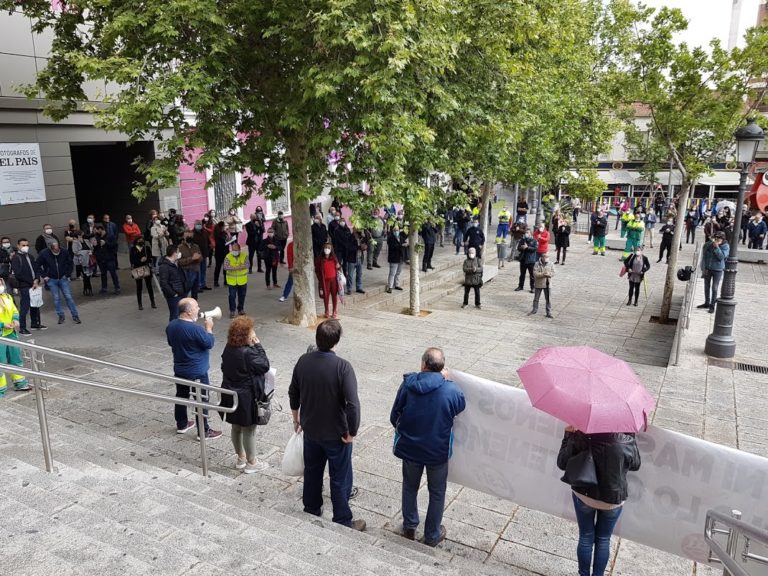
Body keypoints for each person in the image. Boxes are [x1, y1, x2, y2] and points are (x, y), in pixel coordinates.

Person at [288, 319, 365, 531]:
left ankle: (312, 507)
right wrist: (352, 432)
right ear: (336, 341)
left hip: (311, 428)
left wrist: (296, 418)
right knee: (339, 476)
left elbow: (293, 392)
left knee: (312, 471)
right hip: (336, 433)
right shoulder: (343, 367)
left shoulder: (303, 361)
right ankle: (342, 518)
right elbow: (353, 404)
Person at [390, 348, 465, 546]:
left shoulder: (408, 385)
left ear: (423, 364)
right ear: (442, 367)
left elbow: (394, 415)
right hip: (437, 451)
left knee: (409, 487)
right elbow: (460, 407)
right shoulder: (452, 390)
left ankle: (409, 526)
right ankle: (432, 534)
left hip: (411, 448)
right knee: (437, 492)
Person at [557, 425, 641, 576]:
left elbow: (562, 463)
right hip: (612, 499)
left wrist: (568, 435)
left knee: (585, 536)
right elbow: (635, 464)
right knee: (603, 539)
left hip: (584, 494)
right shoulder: (625, 438)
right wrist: (631, 436)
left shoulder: (582, 433)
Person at [219, 315, 270, 472]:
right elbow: (265, 365)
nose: (253, 334)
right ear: (245, 335)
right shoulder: (248, 352)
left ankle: (241, 458)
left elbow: (223, 367)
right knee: (249, 429)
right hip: (247, 396)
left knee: (236, 427)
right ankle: (252, 463)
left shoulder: (228, 347)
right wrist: (258, 345)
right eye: (251, 332)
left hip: (230, 393)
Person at [166, 298, 222, 439]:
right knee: (201, 401)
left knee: (181, 396)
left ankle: (182, 424)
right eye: (196, 307)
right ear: (189, 312)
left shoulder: (171, 325)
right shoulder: (196, 329)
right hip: (198, 372)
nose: (199, 309)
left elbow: (171, 343)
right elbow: (209, 343)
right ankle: (204, 431)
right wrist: (209, 328)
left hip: (180, 369)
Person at [38, 241, 81, 325]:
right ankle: (61, 316)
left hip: (63, 278)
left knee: (68, 297)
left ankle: (75, 315)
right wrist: (44, 276)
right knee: (56, 298)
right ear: (51, 249)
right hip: (51, 279)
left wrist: (67, 274)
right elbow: (37, 265)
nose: (57, 252)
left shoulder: (64, 252)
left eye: (58, 250)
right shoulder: (44, 253)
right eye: (55, 251)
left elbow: (70, 263)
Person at [0, 278, 31, 394]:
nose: (1, 286)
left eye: (0, 283)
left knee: (16, 359)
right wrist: (2, 325)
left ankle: (20, 383)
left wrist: (15, 320)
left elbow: (14, 310)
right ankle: (1, 389)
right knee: (1, 362)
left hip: (10, 333)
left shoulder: (7, 297)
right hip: (1, 335)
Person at [11, 238, 45, 334]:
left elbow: (36, 269)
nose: (25, 247)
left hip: (34, 284)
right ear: (18, 246)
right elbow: (18, 274)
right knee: (25, 306)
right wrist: (31, 282)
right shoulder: (16, 258)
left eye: (27, 245)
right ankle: (22, 328)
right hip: (25, 285)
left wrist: (37, 279)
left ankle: (35, 323)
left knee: (35, 304)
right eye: (23, 245)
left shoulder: (30, 256)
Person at [697, 231, 729, 314]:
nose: (717, 239)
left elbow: (721, 257)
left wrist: (717, 247)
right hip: (708, 268)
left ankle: (712, 305)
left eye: (719, 238)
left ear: (723, 239)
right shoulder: (710, 244)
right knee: (706, 286)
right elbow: (704, 250)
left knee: (714, 287)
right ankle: (706, 303)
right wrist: (710, 242)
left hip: (718, 269)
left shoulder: (725, 246)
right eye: (716, 238)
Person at [159, 245, 187, 321]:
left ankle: (179, 327)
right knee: (174, 314)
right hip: (174, 295)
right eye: (178, 252)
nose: (179, 253)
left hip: (181, 292)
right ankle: (172, 328)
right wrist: (173, 294)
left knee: (181, 314)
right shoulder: (164, 266)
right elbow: (163, 283)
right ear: (174, 253)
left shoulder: (176, 262)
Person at [130, 237, 156, 310]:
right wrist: (140, 260)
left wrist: (146, 259)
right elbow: (132, 260)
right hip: (137, 269)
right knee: (139, 287)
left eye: (142, 240)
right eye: (139, 240)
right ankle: (140, 304)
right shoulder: (133, 249)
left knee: (149, 286)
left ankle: (153, 302)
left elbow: (151, 258)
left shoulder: (146, 248)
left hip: (146, 268)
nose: (141, 241)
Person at [92, 225, 121, 294]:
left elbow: (114, 245)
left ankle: (117, 287)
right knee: (103, 274)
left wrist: (106, 243)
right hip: (100, 258)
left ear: (100, 229)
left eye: (96, 230)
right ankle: (104, 288)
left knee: (113, 273)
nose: (96, 232)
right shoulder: (97, 236)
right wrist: (94, 245)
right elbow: (96, 248)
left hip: (109, 258)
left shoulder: (110, 236)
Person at [224, 242, 248, 318]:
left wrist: (233, 267)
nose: (234, 251)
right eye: (233, 250)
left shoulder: (244, 255)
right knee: (232, 296)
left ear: (239, 250)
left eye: (236, 250)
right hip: (232, 281)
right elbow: (225, 267)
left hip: (242, 280)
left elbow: (247, 264)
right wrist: (237, 267)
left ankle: (240, 309)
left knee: (242, 295)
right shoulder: (228, 256)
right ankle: (232, 311)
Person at [319, 242, 341, 318]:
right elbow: (317, 270)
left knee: (334, 296)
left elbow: (338, 268)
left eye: (328, 248)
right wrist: (320, 280)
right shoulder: (320, 259)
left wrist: (338, 266)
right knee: (326, 296)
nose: (327, 249)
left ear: (331, 249)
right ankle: (326, 311)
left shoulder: (334, 258)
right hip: (325, 281)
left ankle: (334, 311)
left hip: (334, 280)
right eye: (325, 248)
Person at [530, 252, 554, 318]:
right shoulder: (537, 264)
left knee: (548, 299)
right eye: (545, 257)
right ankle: (534, 310)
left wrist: (550, 274)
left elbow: (553, 272)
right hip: (539, 283)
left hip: (547, 283)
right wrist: (543, 274)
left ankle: (548, 312)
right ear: (542, 257)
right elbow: (535, 274)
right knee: (536, 298)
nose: (546, 258)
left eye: (547, 257)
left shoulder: (551, 263)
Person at [386, 226, 406, 294]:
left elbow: (404, 241)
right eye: (395, 230)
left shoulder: (401, 237)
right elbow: (393, 246)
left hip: (400, 258)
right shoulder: (390, 238)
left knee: (398, 272)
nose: (396, 232)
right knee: (392, 273)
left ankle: (396, 284)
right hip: (394, 258)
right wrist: (402, 245)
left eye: (397, 230)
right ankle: (390, 287)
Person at [191, 220, 211, 292]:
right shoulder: (192, 233)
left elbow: (208, 242)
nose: (199, 225)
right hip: (197, 255)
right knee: (198, 271)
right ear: (194, 225)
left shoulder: (205, 232)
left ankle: (203, 284)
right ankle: (198, 286)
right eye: (197, 224)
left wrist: (208, 250)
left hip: (204, 254)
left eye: (200, 224)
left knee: (203, 270)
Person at [213, 221, 230, 288]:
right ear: (221, 226)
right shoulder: (217, 234)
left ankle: (226, 280)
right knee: (218, 267)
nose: (225, 227)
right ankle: (216, 281)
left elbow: (227, 240)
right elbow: (220, 243)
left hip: (225, 252)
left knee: (225, 267)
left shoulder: (224, 232)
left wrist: (229, 240)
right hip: (219, 252)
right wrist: (226, 241)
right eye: (224, 226)